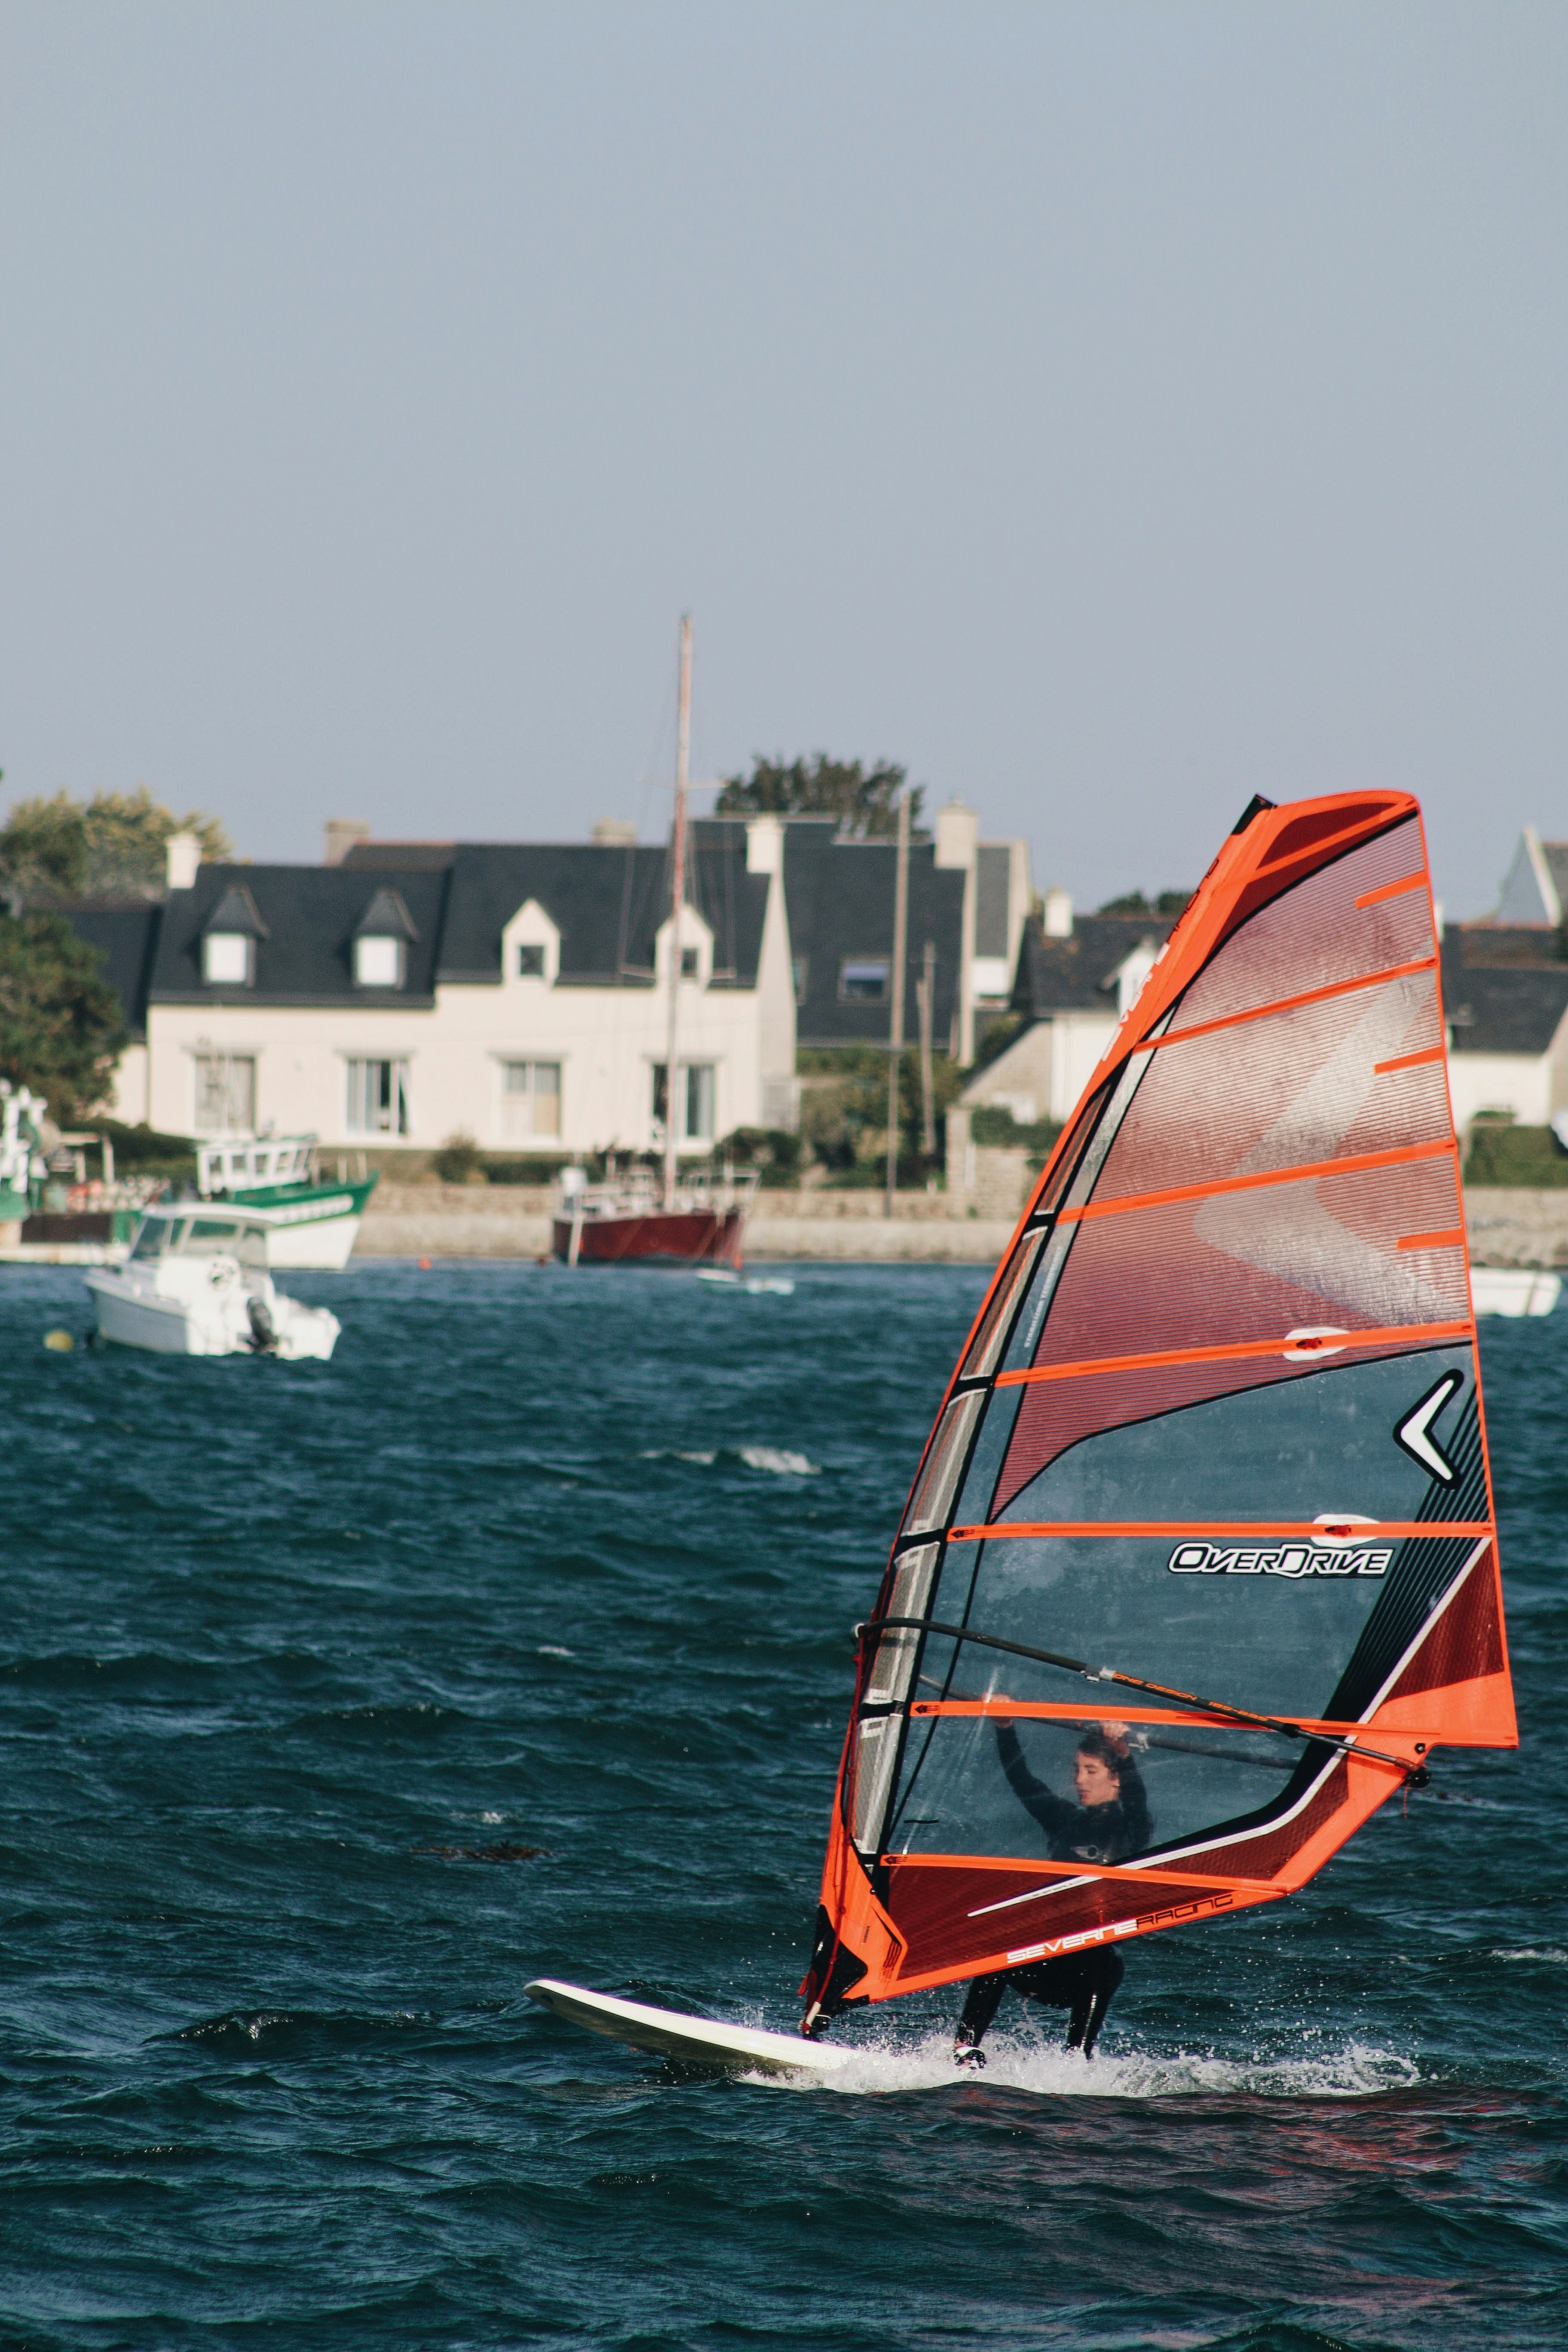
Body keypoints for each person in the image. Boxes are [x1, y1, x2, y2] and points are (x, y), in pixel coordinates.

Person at [953, 1718, 1151, 2068]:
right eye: (1077, 1770)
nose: (1079, 1780)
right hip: (1048, 1957)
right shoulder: (1065, 1820)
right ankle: (964, 2048)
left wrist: (1125, 1753)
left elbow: (1137, 1800)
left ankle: (1076, 2065)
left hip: (1090, 1968)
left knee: (1102, 1956)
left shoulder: (1133, 1830)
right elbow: (1023, 1782)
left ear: (1115, 1778)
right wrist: (1004, 1728)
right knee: (1002, 1944)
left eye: (1091, 1771)